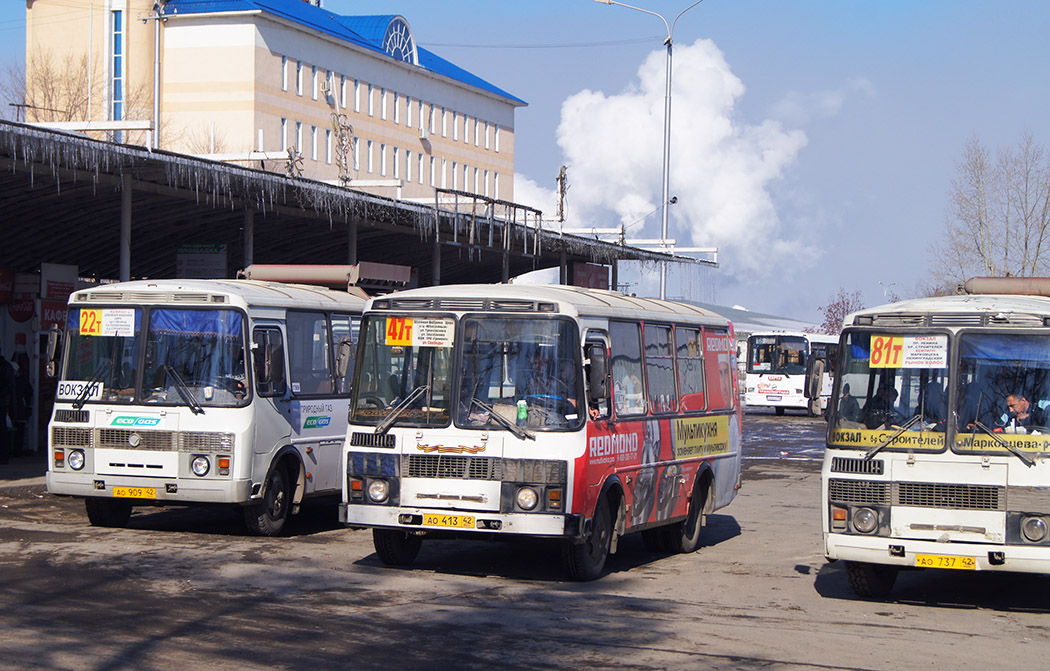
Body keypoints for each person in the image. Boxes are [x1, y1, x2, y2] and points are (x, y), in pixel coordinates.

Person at [10, 353, 32, 455]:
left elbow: (29, 392)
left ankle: (17, 449)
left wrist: (28, 406)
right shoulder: (13, 380)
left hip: (19, 408)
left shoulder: (21, 380)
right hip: (12, 408)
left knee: (20, 430)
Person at [0, 350, 13, 464]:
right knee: (3, 429)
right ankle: (4, 456)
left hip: (2, 402)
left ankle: (4, 456)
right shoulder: (7, 366)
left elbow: (9, 385)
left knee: (2, 429)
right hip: (3, 402)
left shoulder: (4, 367)